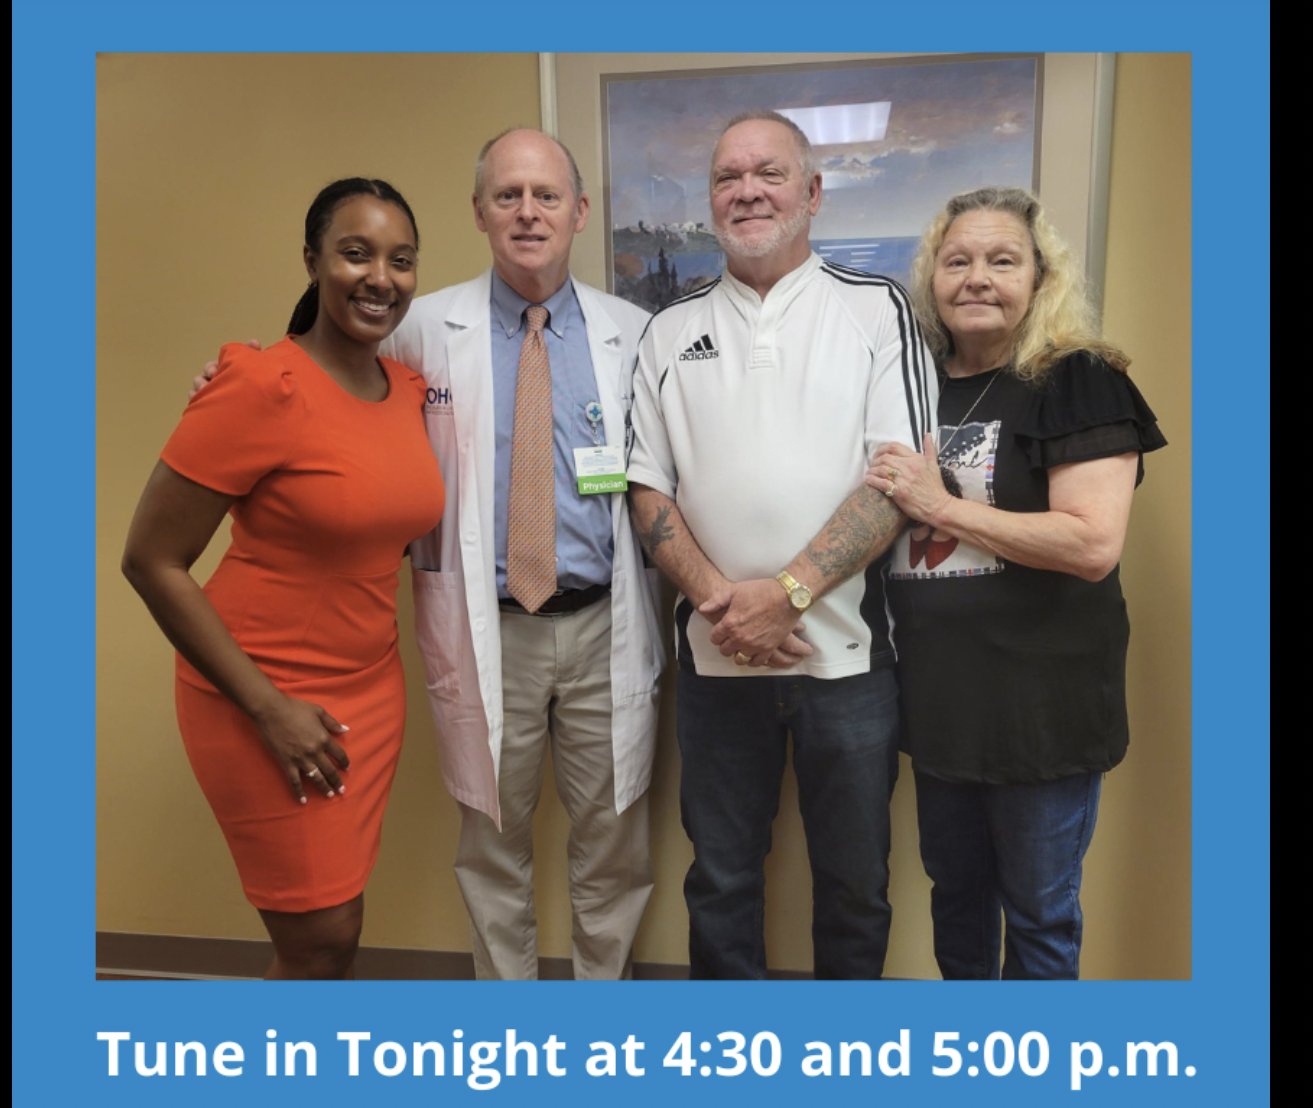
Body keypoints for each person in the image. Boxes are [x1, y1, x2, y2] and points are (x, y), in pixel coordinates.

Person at [196, 129, 665, 980]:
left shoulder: (635, 335)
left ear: (580, 213)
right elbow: (318, 383)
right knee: (491, 846)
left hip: (604, 626)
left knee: (614, 844)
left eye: (547, 195)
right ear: (479, 211)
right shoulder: (419, 331)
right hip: (489, 630)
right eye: (509, 195)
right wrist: (229, 375)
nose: (529, 212)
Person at [622, 109, 933, 979]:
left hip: (848, 664)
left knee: (853, 885)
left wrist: (786, 593)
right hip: (716, 663)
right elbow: (646, 489)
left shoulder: (877, 310)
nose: (748, 191)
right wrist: (730, 607)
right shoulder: (667, 330)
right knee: (719, 881)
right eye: (728, 177)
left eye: (769, 172)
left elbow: (899, 479)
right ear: (710, 201)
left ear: (813, 192)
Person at [124, 178, 439, 979]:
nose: (381, 277)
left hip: (369, 691)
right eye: (356, 253)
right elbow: (150, 561)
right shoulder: (261, 385)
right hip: (260, 696)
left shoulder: (405, 390)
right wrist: (268, 709)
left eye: (400, 260)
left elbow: (372, 524)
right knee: (321, 936)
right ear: (313, 261)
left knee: (332, 929)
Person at [863, 187, 1167, 980]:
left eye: (1003, 260)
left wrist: (941, 506)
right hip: (939, 711)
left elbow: (1092, 543)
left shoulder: (1078, 378)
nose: (978, 278)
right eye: (956, 261)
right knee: (956, 904)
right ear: (931, 279)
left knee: (1037, 913)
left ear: (1040, 277)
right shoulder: (913, 385)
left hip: (1044, 715)